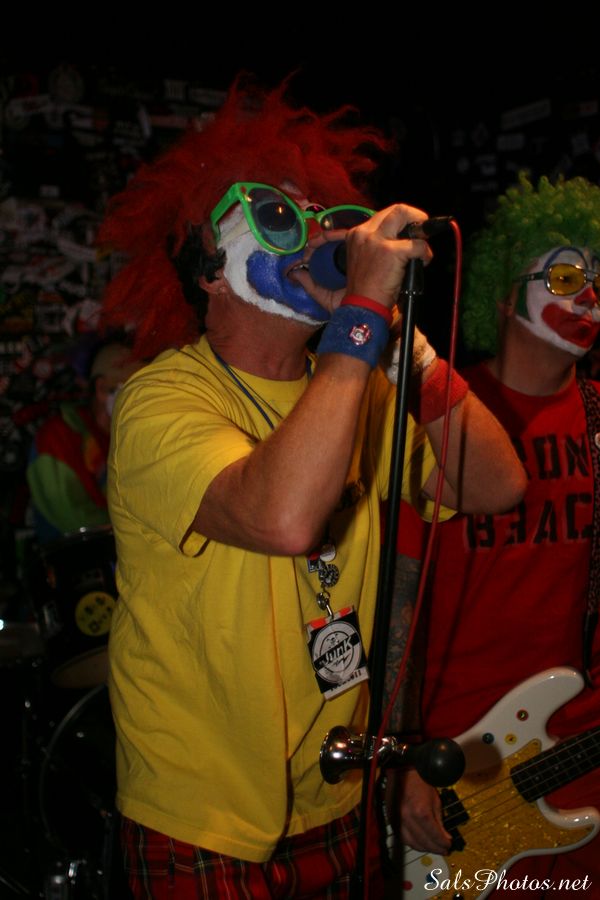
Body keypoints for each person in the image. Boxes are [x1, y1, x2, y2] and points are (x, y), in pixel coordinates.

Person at [100, 79, 525, 898]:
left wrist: (405, 350)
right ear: (209, 268)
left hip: (336, 794)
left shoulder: (359, 382)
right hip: (205, 812)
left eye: (321, 215)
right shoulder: (162, 399)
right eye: (276, 215)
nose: (315, 235)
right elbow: (286, 518)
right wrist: (361, 313)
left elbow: (496, 485)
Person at [400, 174, 600, 896]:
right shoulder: (447, 418)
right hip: (454, 762)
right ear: (504, 292)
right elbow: (396, 602)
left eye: (599, 280)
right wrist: (403, 756)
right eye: (567, 276)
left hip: (580, 751)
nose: (589, 297)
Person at [26, 340, 138, 541]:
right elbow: (74, 519)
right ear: (102, 389)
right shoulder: (58, 435)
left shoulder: (127, 439)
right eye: (137, 390)